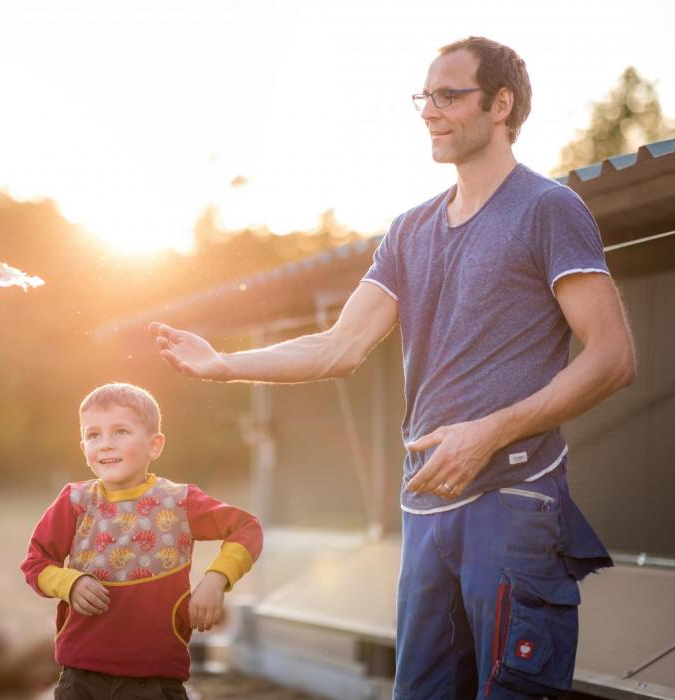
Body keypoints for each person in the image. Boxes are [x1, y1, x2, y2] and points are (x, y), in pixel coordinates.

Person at [149, 36, 636, 699]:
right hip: (427, 508)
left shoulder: (547, 209)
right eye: (424, 97)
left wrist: (488, 432)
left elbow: (613, 357)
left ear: (501, 104)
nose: (430, 111)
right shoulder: (409, 231)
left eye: (448, 95)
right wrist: (221, 363)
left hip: (514, 502)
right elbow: (338, 347)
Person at [21, 382, 263, 699]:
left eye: (121, 431)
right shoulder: (75, 500)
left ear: (155, 445)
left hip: (154, 682)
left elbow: (247, 527)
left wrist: (216, 579)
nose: (105, 444)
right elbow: (35, 562)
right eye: (94, 435)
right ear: (83, 448)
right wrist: (71, 582)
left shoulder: (179, 500)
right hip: (81, 679)